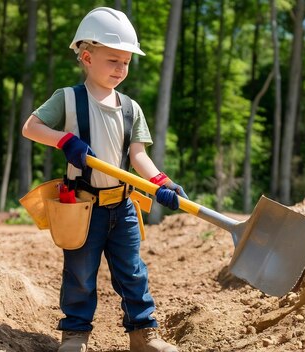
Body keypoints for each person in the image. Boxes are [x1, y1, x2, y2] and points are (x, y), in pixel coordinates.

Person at [22, 7, 185, 352]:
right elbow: (31, 127)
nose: (121, 69)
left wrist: (162, 183)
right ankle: (75, 335)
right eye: (113, 60)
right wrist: (65, 141)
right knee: (80, 273)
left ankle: (143, 335)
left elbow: (137, 155)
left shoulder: (130, 108)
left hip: (122, 206)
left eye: (125, 62)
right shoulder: (67, 99)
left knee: (133, 272)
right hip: (82, 206)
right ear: (86, 57)